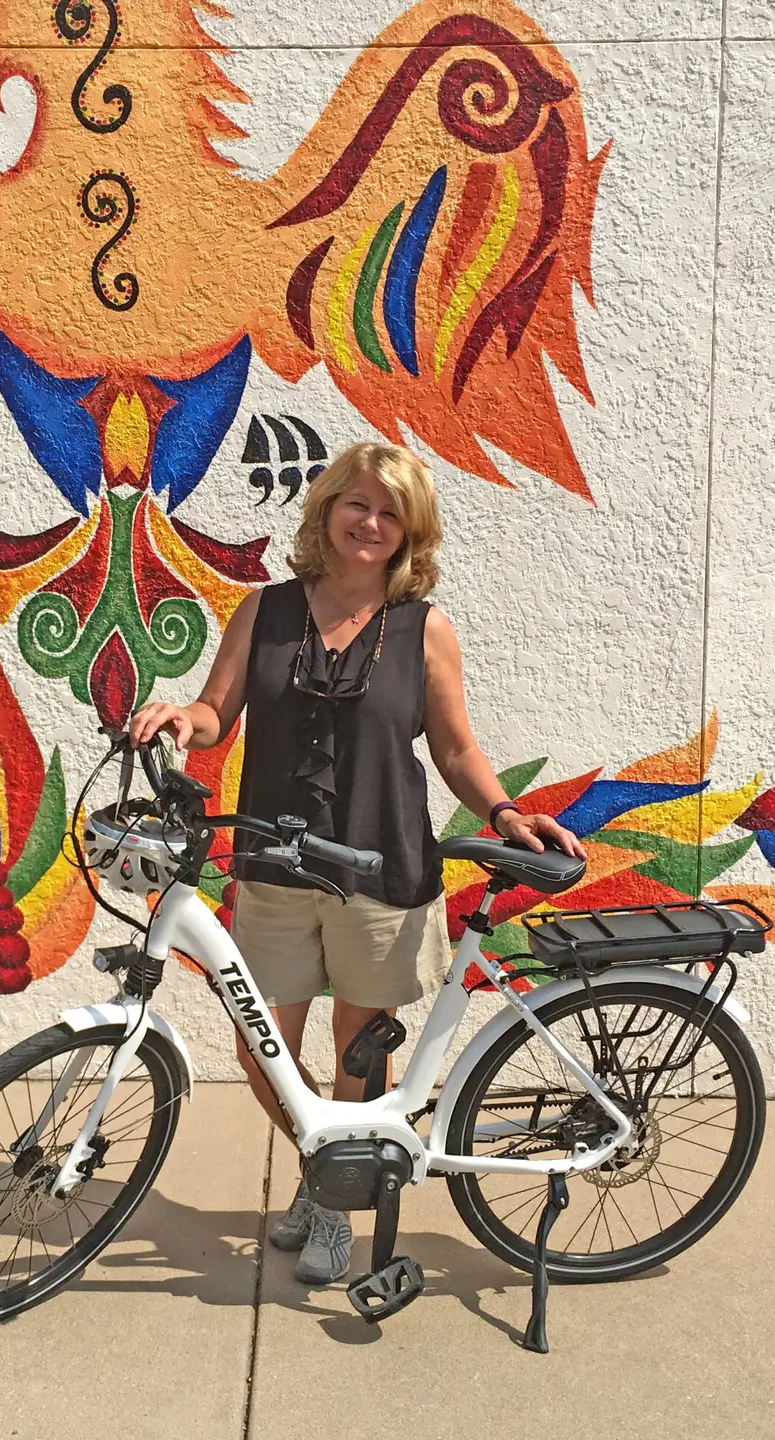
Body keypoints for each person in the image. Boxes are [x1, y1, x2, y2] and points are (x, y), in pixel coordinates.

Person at [127, 441, 584, 1286]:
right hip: (273, 859)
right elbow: (215, 710)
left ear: (410, 531)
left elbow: (453, 747)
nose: (370, 523)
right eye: (357, 504)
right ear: (327, 509)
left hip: (380, 862)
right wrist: (179, 720)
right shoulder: (264, 611)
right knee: (261, 1047)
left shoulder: (423, 628)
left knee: (356, 1057)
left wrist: (508, 811)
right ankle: (323, 1165)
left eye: (389, 512)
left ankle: (333, 1206)